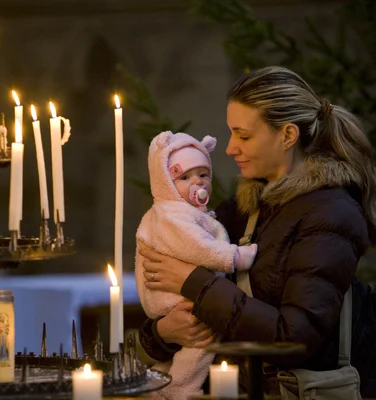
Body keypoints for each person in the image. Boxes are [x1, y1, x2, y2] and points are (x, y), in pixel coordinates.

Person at [138, 65, 376, 397]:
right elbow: (176, 306)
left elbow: (295, 337)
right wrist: (164, 331)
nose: (230, 147)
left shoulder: (331, 214)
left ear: (288, 136)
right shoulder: (241, 209)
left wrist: (193, 281)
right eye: (231, 133)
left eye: (244, 135)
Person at [135, 131, 257, 399]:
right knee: (199, 347)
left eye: (203, 175)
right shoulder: (172, 216)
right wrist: (235, 257)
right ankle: (179, 390)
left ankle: (162, 387)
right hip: (176, 298)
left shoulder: (187, 214)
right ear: (166, 181)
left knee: (191, 347)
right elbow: (200, 249)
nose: (198, 183)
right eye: (185, 177)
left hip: (189, 298)